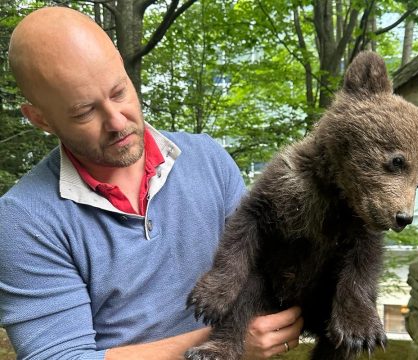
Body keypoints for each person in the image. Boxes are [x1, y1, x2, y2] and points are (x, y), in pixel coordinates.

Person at [0, 6, 303, 360]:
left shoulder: (208, 160)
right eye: (84, 112)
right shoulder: (24, 220)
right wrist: (226, 342)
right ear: (41, 119)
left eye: (118, 92)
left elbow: (270, 268)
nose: (116, 121)